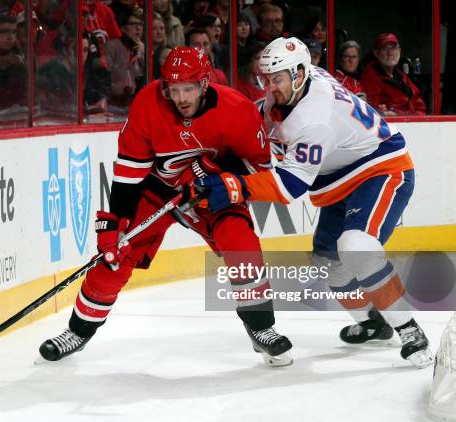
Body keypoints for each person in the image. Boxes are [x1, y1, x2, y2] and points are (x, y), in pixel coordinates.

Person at [38, 46, 293, 367]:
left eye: (188, 89)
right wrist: (117, 221)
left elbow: (259, 171)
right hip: (158, 190)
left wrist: (221, 177)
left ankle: (261, 329)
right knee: (116, 255)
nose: (182, 98)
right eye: (174, 90)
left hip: (210, 194)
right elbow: (130, 171)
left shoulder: (237, 110)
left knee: (240, 244)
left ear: (204, 85)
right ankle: (78, 331)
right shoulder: (148, 103)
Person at [195, 37, 433, 368]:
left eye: (275, 79)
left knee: (355, 245)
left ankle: (409, 330)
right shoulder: (303, 81)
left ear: (299, 73)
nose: (270, 87)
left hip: (381, 171)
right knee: (327, 262)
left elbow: (288, 186)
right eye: (267, 78)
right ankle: (371, 322)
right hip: (337, 179)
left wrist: (234, 186)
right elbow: (260, 120)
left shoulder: (312, 119)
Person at [360, 33, 426, 115]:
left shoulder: (400, 75)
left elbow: (419, 104)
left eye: (394, 48)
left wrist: (417, 116)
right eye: (384, 49)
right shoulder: (369, 76)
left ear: (399, 51)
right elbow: (374, 110)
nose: (390, 53)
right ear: (376, 53)